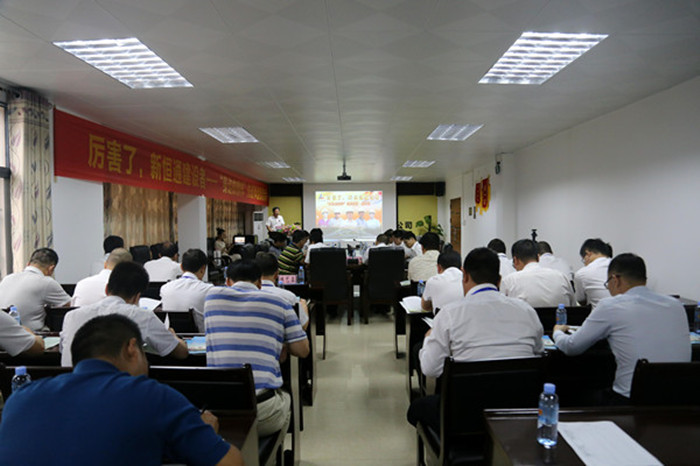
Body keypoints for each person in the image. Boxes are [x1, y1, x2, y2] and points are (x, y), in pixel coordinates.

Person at [0, 314, 242, 465]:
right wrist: (210, 434)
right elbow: (231, 463)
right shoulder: (150, 395)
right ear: (132, 348)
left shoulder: (19, 398)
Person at [407, 247, 544, 433]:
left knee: (416, 409)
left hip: (465, 417)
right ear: (499, 280)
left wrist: (428, 338)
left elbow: (430, 368)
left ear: (464, 276)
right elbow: (538, 354)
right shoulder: (526, 311)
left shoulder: (449, 314)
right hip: (519, 411)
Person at [553, 253, 691, 402]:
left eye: (607, 284)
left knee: (575, 394)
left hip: (631, 400)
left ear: (615, 280)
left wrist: (557, 332)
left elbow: (572, 346)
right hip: (680, 398)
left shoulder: (611, 306)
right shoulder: (676, 305)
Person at [204, 260, 309, 436]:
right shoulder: (280, 302)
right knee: (286, 399)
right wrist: (281, 343)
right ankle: (274, 449)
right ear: (260, 282)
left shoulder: (211, 298)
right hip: (261, 412)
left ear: (228, 281)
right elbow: (302, 351)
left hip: (219, 410)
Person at [60, 261, 188, 367]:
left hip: (70, 385)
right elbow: (181, 353)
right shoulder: (142, 316)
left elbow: (62, 350)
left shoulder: (71, 316)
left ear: (106, 289)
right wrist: (174, 337)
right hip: (115, 388)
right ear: (137, 297)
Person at [0, 248, 71, 331]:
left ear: (28, 264)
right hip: (29, 333)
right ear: (51, 268)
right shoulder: (46, 282)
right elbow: (70, 305)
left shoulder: (7, 278)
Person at [501, 239, 575, 307]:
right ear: (538, 257)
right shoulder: (561, 277)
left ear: (515, 260)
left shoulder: (509, 281)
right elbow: (573, 307)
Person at [160, 248, 214, 332]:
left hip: (172, 337)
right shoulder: (208, 290)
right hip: (201, 338)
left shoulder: (165, 288)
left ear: (181, 267)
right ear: (203, 269)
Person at [256, 252, 309, 329]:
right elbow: (303, 326)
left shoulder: (245, 295)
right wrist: (304, 305)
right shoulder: (289, 297)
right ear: (277, 274)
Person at [574, 238, 613, 308]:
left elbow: (580, 300)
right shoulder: (620, 267)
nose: (584, 263)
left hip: (599, 313)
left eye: (583, 260)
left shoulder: (582, 273)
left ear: (588, 254)